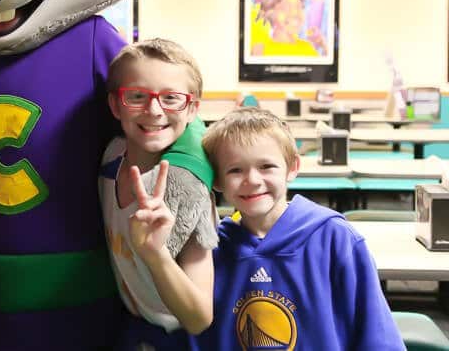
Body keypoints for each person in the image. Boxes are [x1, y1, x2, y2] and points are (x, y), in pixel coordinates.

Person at [195, 107, 405, 350]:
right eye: (235, 170)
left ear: (292, 167)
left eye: (266, 166)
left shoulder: (335, 238)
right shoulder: (211, 249)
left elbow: (377, 334)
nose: (252, 180)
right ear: (217, 180)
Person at [100, 38, 217, 350]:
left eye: (171, 98)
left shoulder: (188, 192)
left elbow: (198, 317)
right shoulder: (110, 159)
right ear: (114, 104)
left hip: (181, 341)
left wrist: (156, 254)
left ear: (192, 109)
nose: (154, 111)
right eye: (137, 96)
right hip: (131, 331)